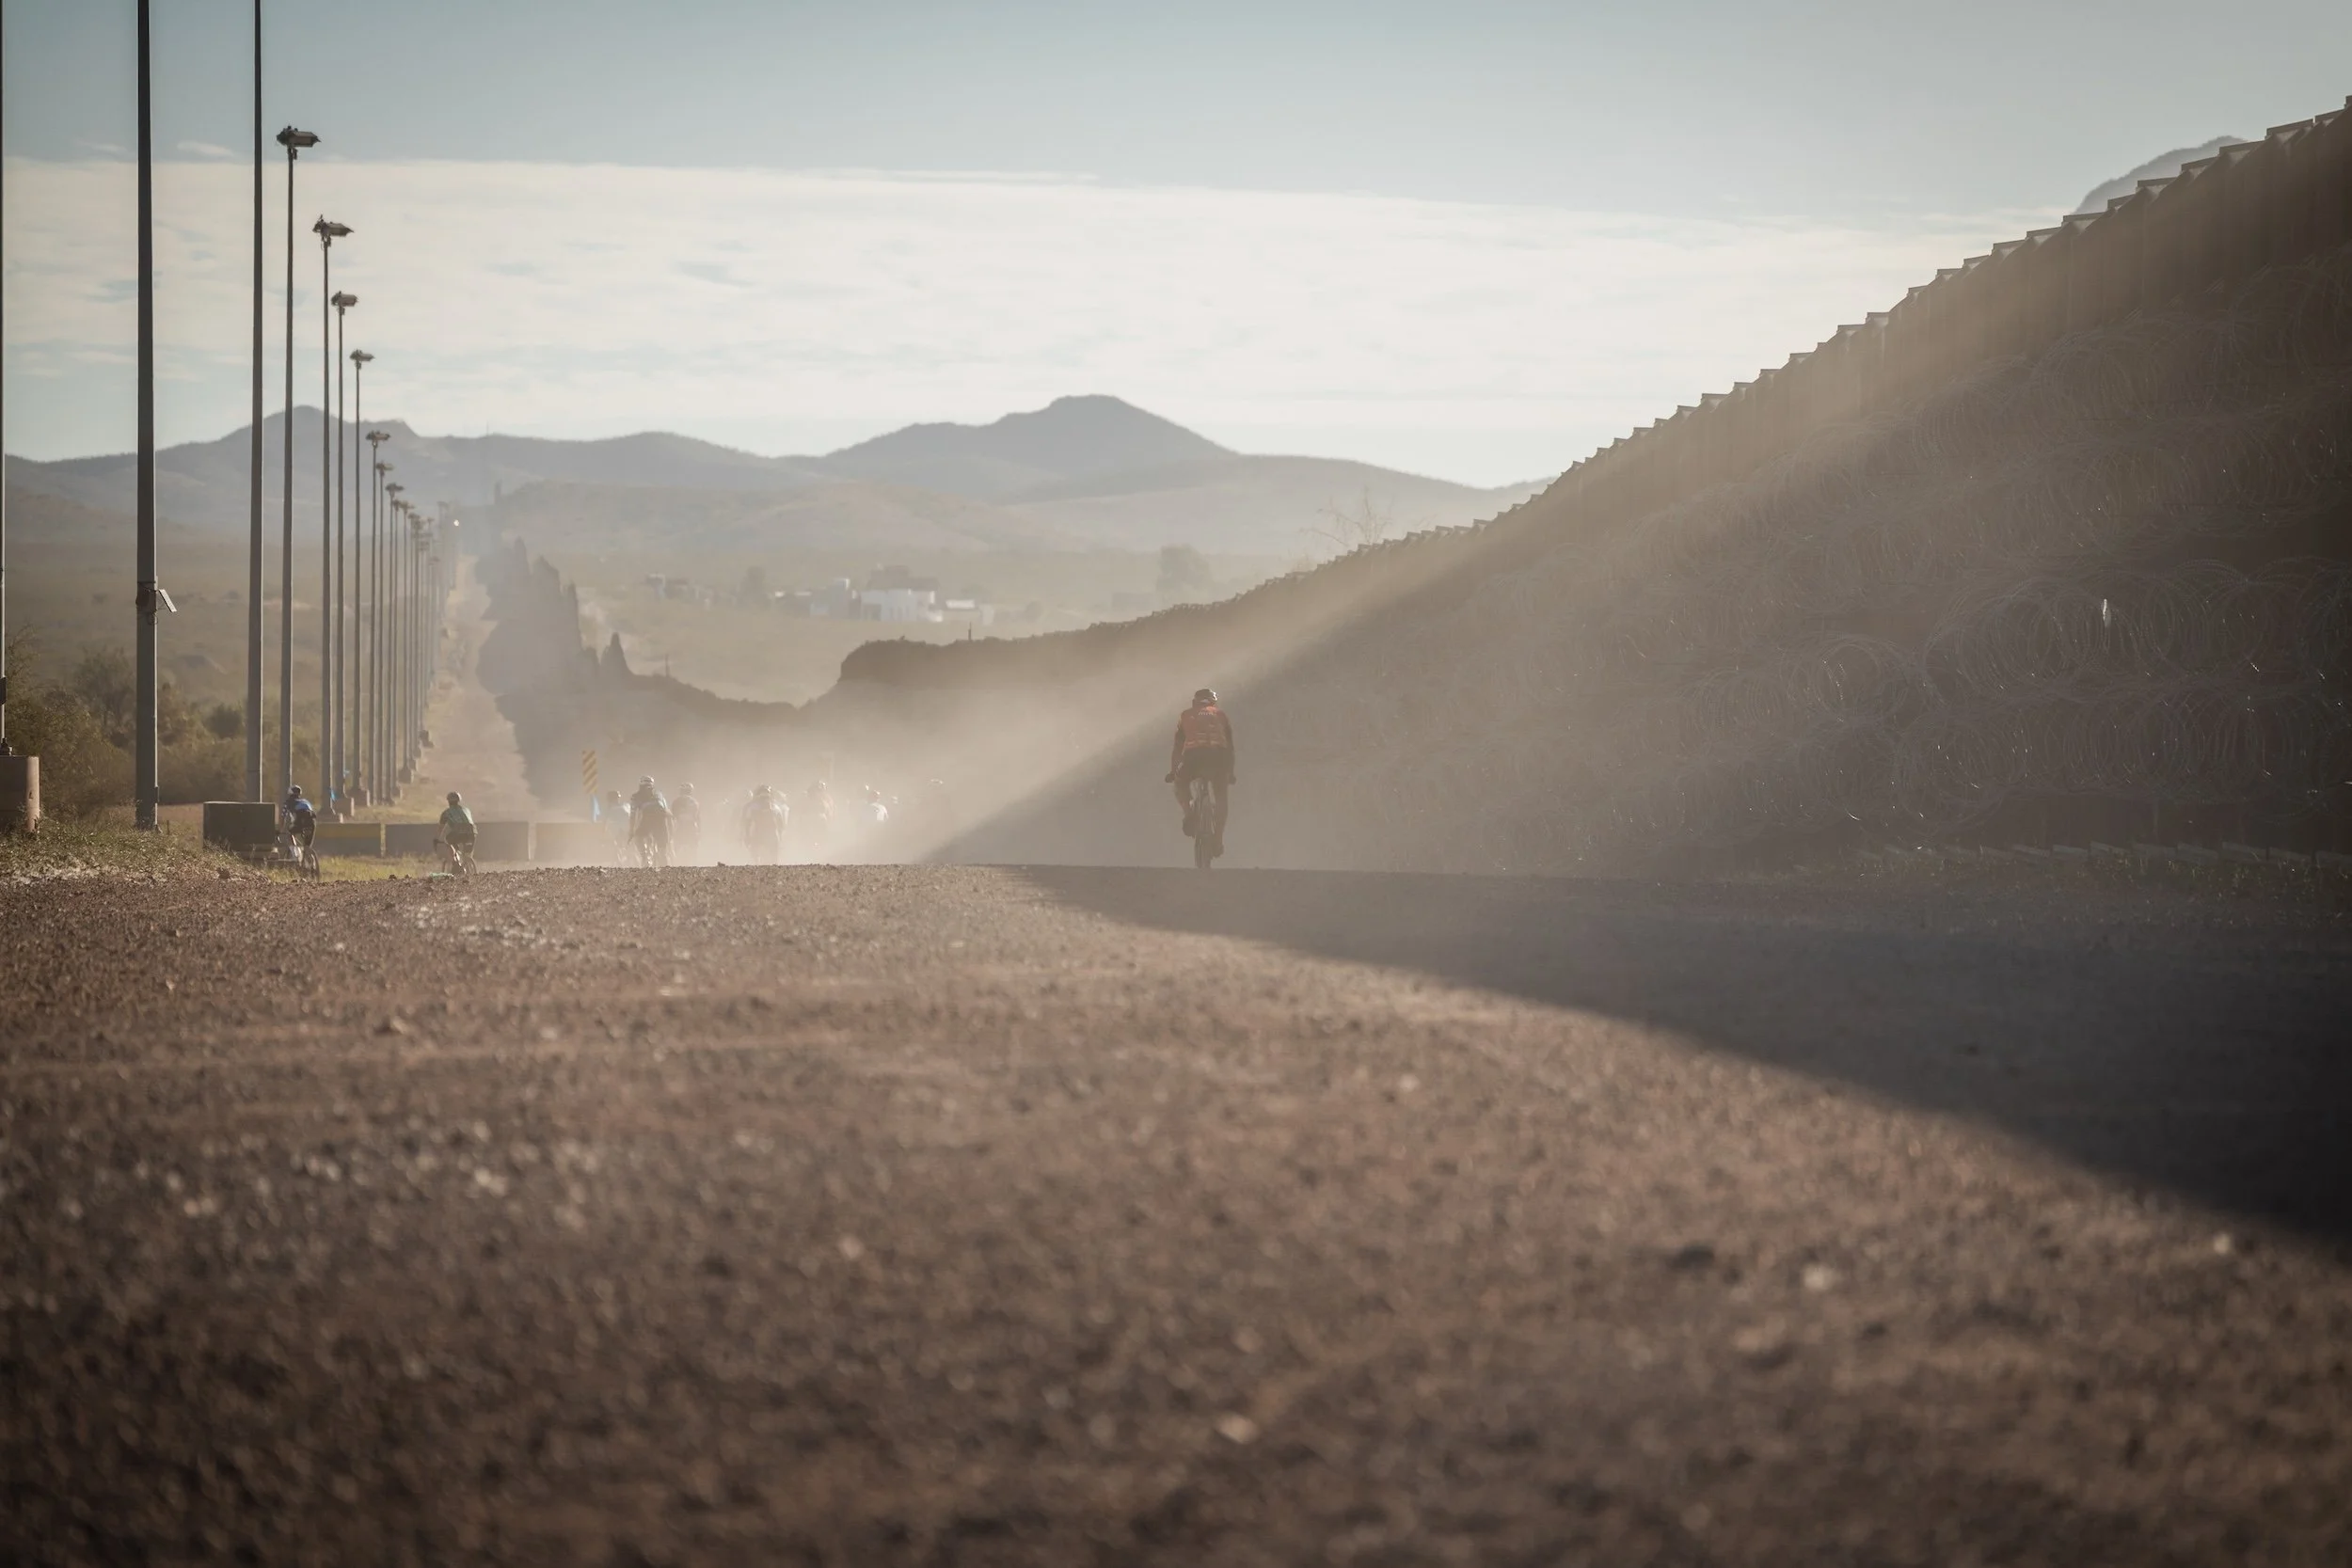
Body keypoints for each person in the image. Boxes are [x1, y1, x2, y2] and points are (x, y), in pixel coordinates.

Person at [1167, 687, 1236, 843]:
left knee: (1180, 784)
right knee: (1221, 796)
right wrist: (1230, 773)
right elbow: (1230, 748)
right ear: (1213, 702)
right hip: (1219, 759)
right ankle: (1218, 838)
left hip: (1193, 758)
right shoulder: (1221, 715)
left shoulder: (1185, 715)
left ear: (1194, 702)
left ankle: (1189, 813)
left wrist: (1173, 772)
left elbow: (1178, 747)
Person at [437, 791, 478, 865]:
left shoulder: (446, 813)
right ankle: (468, 862)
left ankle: (455, 861)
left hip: (458, 832)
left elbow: (441, 828)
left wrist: (440, 839)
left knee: (448, 841)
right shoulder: (466, 810)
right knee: (467, 852)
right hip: (473, 831)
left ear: (448, 801)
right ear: (459, 800)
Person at [281, 784, 317, 859]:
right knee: (307, 845)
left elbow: (283, 816)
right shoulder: (306, 802)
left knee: (289, 834)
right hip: (312, 822)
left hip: (301, 822)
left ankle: (295, 854)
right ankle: (310, 860)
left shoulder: (288, 802)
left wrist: (281, 829)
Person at [673, 783, 702, 863]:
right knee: (694, 849)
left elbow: (673, 816)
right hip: (692, 827)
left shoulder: (676, 801)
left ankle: (674, 865)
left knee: (676, 847)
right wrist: (699, 831)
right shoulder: (695, 802)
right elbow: (698, 818)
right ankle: (695, 865)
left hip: (679, 826)